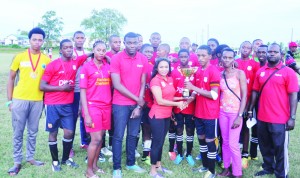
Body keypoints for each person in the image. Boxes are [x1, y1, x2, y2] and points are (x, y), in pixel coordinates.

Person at [40, 39, 92, 172]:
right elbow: (42, 86)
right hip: (53, 104)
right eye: (66, 47)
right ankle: (55, 161)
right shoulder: (53, 65)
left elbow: (90, 54)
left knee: (69, 132)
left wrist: (108, 58)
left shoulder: (76, 62)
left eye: (71, 47)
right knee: (53, 132)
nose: (69, 49)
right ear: (60, 50)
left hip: (68, 105)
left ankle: (65, 159)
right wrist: (61, 88)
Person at [248, 43, 298, 178]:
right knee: (265, 146)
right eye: (269, 51)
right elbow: (255, 91)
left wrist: (292, 117)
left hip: (280, 118)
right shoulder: (260, 71)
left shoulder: (288, 72)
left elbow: (293, 95)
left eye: (275, 52)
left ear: (281, 54)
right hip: (262, 117)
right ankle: (268, 167)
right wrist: (250, 110)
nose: (271, 53)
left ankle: (282, 173)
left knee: (280, 148)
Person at [7, 27, 51, 176]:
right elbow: (11, 78)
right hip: (19, 100)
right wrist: (9, 101)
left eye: (40, 40)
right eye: (34, 39)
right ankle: (17, 161)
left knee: (33, 131)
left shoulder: (46, 59)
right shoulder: (20, 57)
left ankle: (30, 157)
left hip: (37, 101)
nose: (37, 42)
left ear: (43, 41)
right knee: (18, 131)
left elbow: (48, 81)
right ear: (29, 40)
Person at [110, 32, 147, 178]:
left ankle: (131, 163)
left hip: (136, 105)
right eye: (129, 43)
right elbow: (117, 85)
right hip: (120, 104)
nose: (132, 45)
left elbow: (143, 82)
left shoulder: (142, 58)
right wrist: (137, 100)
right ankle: (116, 167)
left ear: (138, 42)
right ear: (124, 42)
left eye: (135, 43)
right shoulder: (116, 58)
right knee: (118, 135)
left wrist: (138, 105)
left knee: (132, 135)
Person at [185, 45, 221, 178]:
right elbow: (196, 89)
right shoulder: (198, 70)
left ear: (210, 56)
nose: (200, 58)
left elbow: (214, 95)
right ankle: (205, 165)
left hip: (211, 114)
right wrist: (190, 98)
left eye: (203, 55)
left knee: (210, 141)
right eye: (198, 55)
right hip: (198, 112)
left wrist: (193, 87)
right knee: (201, 140)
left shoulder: (214, 71)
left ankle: (212, 171)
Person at [149, 57, 187, 178]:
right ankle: (152, 171)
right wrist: (177, 104)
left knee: (161, 142)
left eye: (166, 67)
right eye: (161, 67)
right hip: (157, 115)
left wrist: (183, 99)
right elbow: (160, 100)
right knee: (156, 143)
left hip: (166, 115)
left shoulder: (169, 79)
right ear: (157, 68)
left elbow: (170, 97)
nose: (164, 69)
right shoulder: (155, 81)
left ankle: (159, 166)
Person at [80, 40, 112, 178]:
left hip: (107, 106)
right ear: (93, 50)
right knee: (96, 138)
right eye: (98, 50)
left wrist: (109, 59)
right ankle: (88, 171)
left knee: (101, 138)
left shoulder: (108, 66)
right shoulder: (86, 67)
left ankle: (94, 166)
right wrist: (86, 114)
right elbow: (82, 91)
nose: (101, 53)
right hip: (92, 107)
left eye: (104, 50)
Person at [218, 48, 247, 178]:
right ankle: (226, 168)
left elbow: (245, 95)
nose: (227, 60)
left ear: (234, 58)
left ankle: (237, 173)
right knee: (225, 142)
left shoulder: (240, 73)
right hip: (222, 112)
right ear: (221, 58)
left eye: (230, 58)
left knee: (233, 144)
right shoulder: (220, 74)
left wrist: (240, 116)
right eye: (225, 57)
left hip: (235, 113)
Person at [235, 41, 260, 168]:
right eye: (243, 47)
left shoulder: (255, 65)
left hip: (247, 101)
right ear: (239, 48)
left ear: (251, 50)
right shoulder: (234, 62)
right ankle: (232, 153)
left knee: (245, 128)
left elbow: (255, 88)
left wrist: (248, 106)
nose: (245, 49)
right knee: (232, 128)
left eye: (248, 48)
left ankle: (245, 155)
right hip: (233, 102)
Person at [171, 49, 196, 166]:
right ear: (178, 57)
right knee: (179, 130)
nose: (183, 58)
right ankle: (180, 153)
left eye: (186, 56)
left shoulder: (193, 71)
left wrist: (191, 97)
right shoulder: (174, 72)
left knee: (190, 131)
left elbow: (197, 88)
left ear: (189, 57)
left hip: (191, 107)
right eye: (181, 56)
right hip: (178, 107)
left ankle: (189, 154)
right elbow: (171, 91)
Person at [70, 30, 90, 158]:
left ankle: (85, 142)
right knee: (72, 118)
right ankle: (69, 146)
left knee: (85, 116)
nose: (80, 40)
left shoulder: (88, 54)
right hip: (73, 89)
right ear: (73, 39)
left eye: (82, 38)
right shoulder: (69, 52)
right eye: (77, 37)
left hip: (86, 90)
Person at [140, 44, 155, 165]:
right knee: (133, 131)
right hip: (136, 103)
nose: (149, 54)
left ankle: (146, 155)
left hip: (149, 104)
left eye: (151, 52)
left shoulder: (153, 68)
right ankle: (132, 151)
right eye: (146, 51)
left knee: (147, 130)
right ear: (141, 51)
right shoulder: (137, 65)